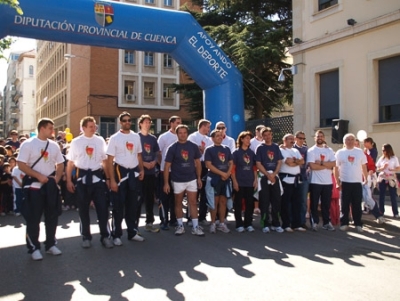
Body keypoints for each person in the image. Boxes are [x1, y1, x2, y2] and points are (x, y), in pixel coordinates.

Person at [17, 118, 64, 260]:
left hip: (49, 186)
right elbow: (21, 164)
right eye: (50, 128)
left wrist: (55, 180)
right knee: (33, 218)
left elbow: (60, 164)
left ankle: (50, 244)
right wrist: (38, 176)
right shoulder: (28, 144)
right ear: (42, 128)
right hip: (33, 186)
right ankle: (34, 248)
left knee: (52, 216)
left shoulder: (54, 145)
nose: (52, 131)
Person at [66, 116, 113, 248]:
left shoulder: (100, 140)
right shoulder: (76, 142)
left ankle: (105, 236)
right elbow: (70, 163)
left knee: (103, 209)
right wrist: (69, 180)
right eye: (91, 126)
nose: (94, 128)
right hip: (82, 178)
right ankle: (86, 237)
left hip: (97, 178)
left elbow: (104, 161)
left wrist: (108, 178)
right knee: (83, 210)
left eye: (95, 126)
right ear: (84, 128)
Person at [107, 112, 145, 245]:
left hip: (133, 174)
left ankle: (132, 232)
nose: (127, 122)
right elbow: (109, 160)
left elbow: (139, 155)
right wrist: (111, 180)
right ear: (120, 122)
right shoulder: (114, 138)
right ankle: (116, 235)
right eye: (124, 120)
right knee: (118, 206)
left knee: (133, 205)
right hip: (120, 173)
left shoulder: (136, 137)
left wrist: (141, 170)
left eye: (129, 120)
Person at [163, 124, 204, 236]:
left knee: (193, 203)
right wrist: (166, 183)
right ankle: (180, 225)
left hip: (191, 179)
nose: (183, 135)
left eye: (185, 132)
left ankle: (195, 227)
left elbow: (198, 163)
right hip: (177, 180)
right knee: (178, 203)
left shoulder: (193, 146)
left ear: (187, 133)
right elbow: (167, 166)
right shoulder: (172, 148)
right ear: (177, 134)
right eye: (180, 133)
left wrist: (199, 177)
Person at [334, 133, 368, 232]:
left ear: (355, 141)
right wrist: (337, 182)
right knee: (344, 204)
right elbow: (335, 168)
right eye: (348, 139)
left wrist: (366, 178)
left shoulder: (359, 152)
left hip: (357, 182)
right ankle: (344, 223)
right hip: (345, 181)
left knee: (357, 204)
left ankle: (358, 223)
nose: (350, 141)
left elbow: (364, 166)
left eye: (352, 139)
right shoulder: (340, 152)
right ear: (344, 142)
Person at [255, 127, 284, 233]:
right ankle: (265, 223)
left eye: (269, 134)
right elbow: (258, 163)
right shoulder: (260, 148)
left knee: (276, 201)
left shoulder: (276, 147)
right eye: (265, 135)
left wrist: (274, 174)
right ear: (262, 136)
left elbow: (279, 161)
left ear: (272, 135)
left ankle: (276, 223)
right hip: (264, 177)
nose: (267, 137)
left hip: (274, 177)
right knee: (264, 202)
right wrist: (267, 174)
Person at [205, 129, 233, 233]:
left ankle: (222, 223)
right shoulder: (209, 150)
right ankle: (213, 223)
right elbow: (208, 165)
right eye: (217, 136)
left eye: (221, 136)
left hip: (225, 180)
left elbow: (231, 162)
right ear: (212, 138)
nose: (220, 137)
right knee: (214, 202)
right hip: (214, 179)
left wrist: (227, 174)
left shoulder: (226, 149)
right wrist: (222, 174)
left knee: (223, 202)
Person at [307, 130, 336, 231]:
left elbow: (333, 164)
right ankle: (314, 222)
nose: (319, 138)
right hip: (315, 182)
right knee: (314, 204)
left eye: (321, 136)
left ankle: (326, 223)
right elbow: (312, 166)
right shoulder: (311, 151)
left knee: (326, 204)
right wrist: (326, 165)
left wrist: (321, 163)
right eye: (317, 136)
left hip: (327, 182)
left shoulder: (329, 150)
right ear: (315, 138)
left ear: (324, 138)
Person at [157, 116, 181, 230]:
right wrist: (163, 165)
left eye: (180, 123)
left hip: (177, 173)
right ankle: (164, 220)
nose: (179, 124)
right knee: (164, 197)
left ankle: (173, 220)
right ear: (171, 124)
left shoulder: (182, 137)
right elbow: (158, 152)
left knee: (175, 197)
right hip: (165, 172)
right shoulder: (164, 137)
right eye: (177, 122)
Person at [188, 119, 213, 225]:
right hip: (194, 165)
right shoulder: (193, 137)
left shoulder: (209, 139)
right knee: (193, 192)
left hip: (205, 166)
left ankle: (202, 217)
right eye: (208, 127)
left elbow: (209, 151)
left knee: (204, 192)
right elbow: (190, 150)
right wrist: (199, 149)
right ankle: (190, 217)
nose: (209, 129)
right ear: (202, 126)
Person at [231, 131, 257, 232]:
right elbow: (232, 169)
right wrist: (235, 182)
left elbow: (254, 167)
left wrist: (255, 180)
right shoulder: (236, 153)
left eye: (249, 138)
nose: (248, 140)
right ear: (241, 139)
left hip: (250, 181)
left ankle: (248, 223)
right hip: (239, 181)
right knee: (238, 203)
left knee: (250, 203)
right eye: (246, 138)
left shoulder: (251, 153)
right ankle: (239, 224)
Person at [138, 114, 160, 233]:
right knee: (137, 199)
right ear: (140, 124)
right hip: (139, 172)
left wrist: (154, 162)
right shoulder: (136, 137)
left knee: (149, 198)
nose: (147, 124)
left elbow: (157, 153)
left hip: (151, 172)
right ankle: (134, 225)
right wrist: (143, 164)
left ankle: (149, 222)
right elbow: (135, 154)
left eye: (149, 122)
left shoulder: (153, 139)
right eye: (145, 122)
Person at [279, 134, 305, 232]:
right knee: (285, 203)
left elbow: (302, 161)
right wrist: (296, 161)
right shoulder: (281, 150)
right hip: (286, 179)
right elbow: (288, 162)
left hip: (296, 179)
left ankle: (296, 224)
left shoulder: (295, 150)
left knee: (297, 202)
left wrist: (294, 161)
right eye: (290, 139)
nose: (292, 141)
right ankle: (286, 224)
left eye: (292, 139)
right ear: (284, 140)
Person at [376, 144, 400, 218]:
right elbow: (377, 168)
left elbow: (398, 168)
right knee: (381, 195)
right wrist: (382, 167)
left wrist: (392, 169)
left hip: (391, 177)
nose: (383, 152)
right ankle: (381, 211)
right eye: (382, 150)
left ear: (388, 150)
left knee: (393, 195)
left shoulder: (394, 158)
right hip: (383, 178)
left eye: (384, 150)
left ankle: (395, 212)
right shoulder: (382, 158)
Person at [293, 131, 309, 228]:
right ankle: (292, 221)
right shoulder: (292, 148)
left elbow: (306, 162)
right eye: (300, 138)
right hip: (293, 177)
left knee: (303, 200)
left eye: (303, 138)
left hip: (303, 177)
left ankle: (302, 221)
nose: (302, 140)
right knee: (293, 200)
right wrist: (297, 162)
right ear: (295, 138)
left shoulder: (306, 149)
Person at [250, 125, 265, 215]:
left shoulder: (265, 141)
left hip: (264, 168)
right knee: (255, 188)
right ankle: (255, 207)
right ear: (257, 132)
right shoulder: (252, 142)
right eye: (260, 131)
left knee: (263, 188)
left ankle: (263, 205)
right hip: (255, 167)